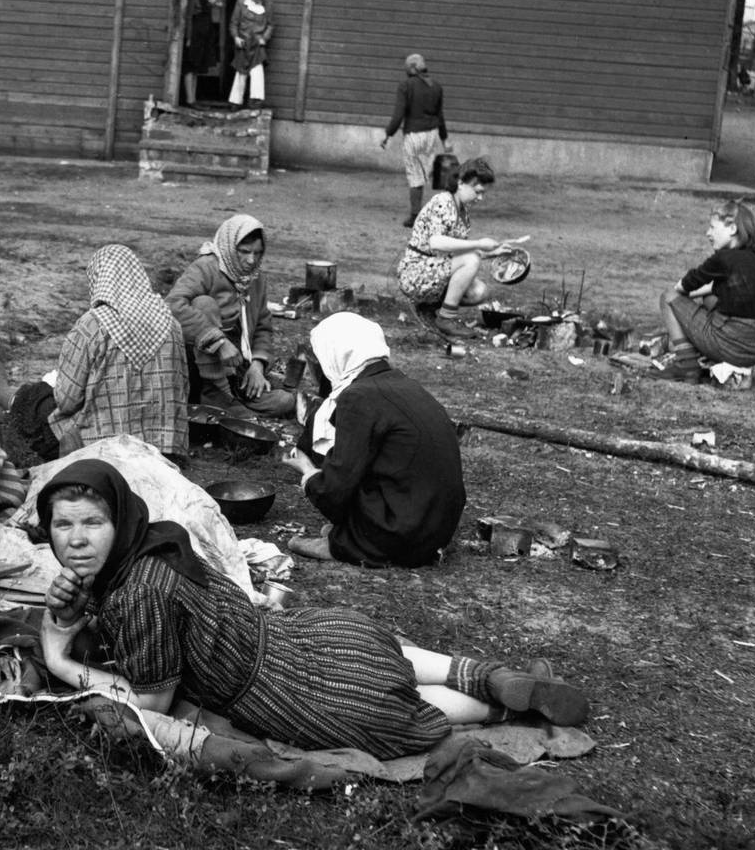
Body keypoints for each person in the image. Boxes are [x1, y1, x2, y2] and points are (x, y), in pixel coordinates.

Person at [36, 460, 589, 762]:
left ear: (119, 522)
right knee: (383, 653)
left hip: (278, 690)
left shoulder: (137, 593)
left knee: (399, 710)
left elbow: (151, 701)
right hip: (297, 633)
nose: (78, 541)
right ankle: (489, 674)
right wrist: (80, 605)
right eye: (64, 525)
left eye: (92, 523)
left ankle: (502, 712)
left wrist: (60, 662)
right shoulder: (159, 539)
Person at [282, 312, 466, 566]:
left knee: (332, 477)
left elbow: (336, 487)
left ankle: (349, 543)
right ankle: (357, 532)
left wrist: (308, 475)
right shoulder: (402, 383)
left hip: (399, 533)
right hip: (436, 530)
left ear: (336, 355)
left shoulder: (358, 397)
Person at [0, 245, 190, 462]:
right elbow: (183, 388)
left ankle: (5, 396)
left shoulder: (92, 325)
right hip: (165, 449)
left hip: (102, 449)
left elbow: (67, 401)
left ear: (98, 280)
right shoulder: (171, 324)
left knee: (37, 399)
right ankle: (2, 397)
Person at [165, 214, 295, 418]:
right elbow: (173, 305)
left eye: (258, 253)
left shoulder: (256, 278)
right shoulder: (206, 267)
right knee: (204, 304)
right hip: (200, 363)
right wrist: (218, 341)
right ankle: (214, 393)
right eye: (244, 252)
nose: (251, 260)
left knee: (284, 402)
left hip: (236, 366)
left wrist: (257, 365)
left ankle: (231, 399)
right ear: (229, 246)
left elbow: (262, 326)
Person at [396, 157, 525, 340]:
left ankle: (428, 307)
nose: (480, 198)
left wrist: (493, 252)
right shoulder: (443, 201)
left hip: (434, 270)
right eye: (477, 192)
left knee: (479, 291)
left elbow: (457, 253)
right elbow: (436, 242)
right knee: (471, 259)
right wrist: (479, 244)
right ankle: (446, 319)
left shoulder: (462, 211)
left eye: (483, 194)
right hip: (416, 272)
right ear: (461, 183)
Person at [653, 200, 755, 382]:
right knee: (709, 297)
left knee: (667, 297)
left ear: (732, 229)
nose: (708, 233)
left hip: (728, 346)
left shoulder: (724, 259)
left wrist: (681, 300)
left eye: (713, 227)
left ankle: (686, 363)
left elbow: (683, 286)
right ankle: (701, 353)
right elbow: (718, 287)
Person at [381, 53, 451, 227]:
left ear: (412, 68)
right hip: (432, 134)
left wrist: (388, 134)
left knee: (414, 175)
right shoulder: (436, 86)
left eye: (406, 67)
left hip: (414, 134)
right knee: (428, 172)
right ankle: (447, 210)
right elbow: (440, 116)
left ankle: (415, 215)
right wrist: (445, 139)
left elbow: (398, 115)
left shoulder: (406, 86)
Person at [227, 0, 273, 108]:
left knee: (257, 70)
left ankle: (255, 100)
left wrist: (264, 38)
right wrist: (236, 37)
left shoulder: (267, 6)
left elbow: (270, 25)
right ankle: (235, 101)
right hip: (243, 42)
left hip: (257, 43)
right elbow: (233, 23)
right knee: (241, 71)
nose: (258, 0)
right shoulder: (241, 3)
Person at [182, 0, 220, 105]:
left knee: (196, 67)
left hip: (204, 34)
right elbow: (189, 15)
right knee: (190, 66)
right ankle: (189, 99)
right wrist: (189, 37)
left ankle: (193, 99)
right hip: (195, 33)